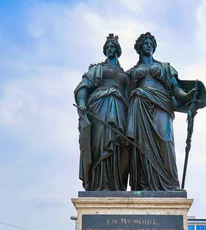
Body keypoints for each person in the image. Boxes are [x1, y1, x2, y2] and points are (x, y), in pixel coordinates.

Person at [126, 32, 197, 191]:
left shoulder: (164, 67)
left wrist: (187, 95)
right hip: (140, 104)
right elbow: (125, 93)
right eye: (146, 43)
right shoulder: (132, 71)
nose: (149, 45)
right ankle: (144, 184)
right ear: (139, 47)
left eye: (151, 43)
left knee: (166, 140)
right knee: (141, 145)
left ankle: (170, 185)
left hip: (161, 103)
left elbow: (176, 88)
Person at [74, 34, 129, 191]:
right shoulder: (98, 69)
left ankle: (116, 185)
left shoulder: (126, 74)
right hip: (100, 107)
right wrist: (83, 104)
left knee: (118, 144)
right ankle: (99, 184)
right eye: (107, 47)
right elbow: (83, 87)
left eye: (113, 47)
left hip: (119, 110)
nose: (110, 49)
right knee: (100, 143)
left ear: (118, 51)